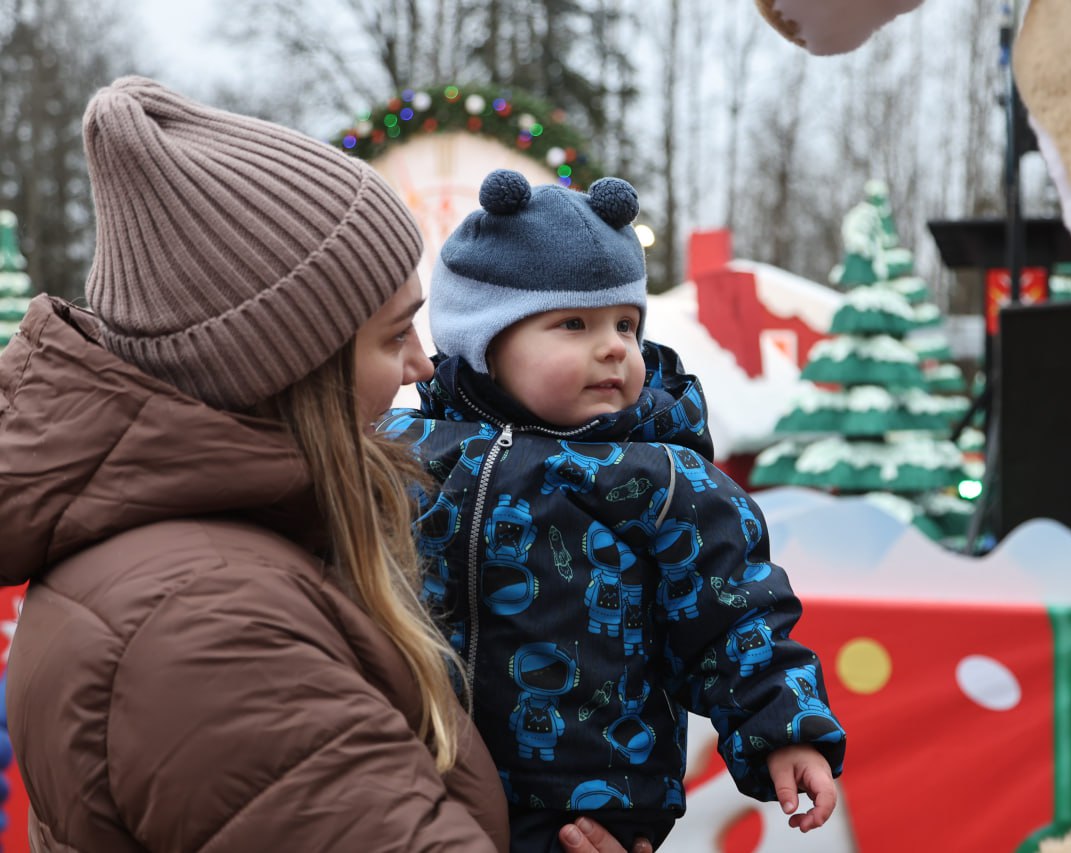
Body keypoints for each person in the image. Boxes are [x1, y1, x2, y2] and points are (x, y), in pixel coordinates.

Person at [0, 76, 645, 853]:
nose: (421, 363)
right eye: (392, 334)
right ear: (286, 362)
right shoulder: (207, 629)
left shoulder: (197, 562)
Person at [381, 169, 847, 852]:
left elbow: (737, 613)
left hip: (586, 800)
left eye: (626, 323)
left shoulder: (663, 477)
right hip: (418, 769)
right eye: (573, 323)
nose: (614, 347)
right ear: (484, 338)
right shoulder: (406, 453)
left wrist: (785, 727)